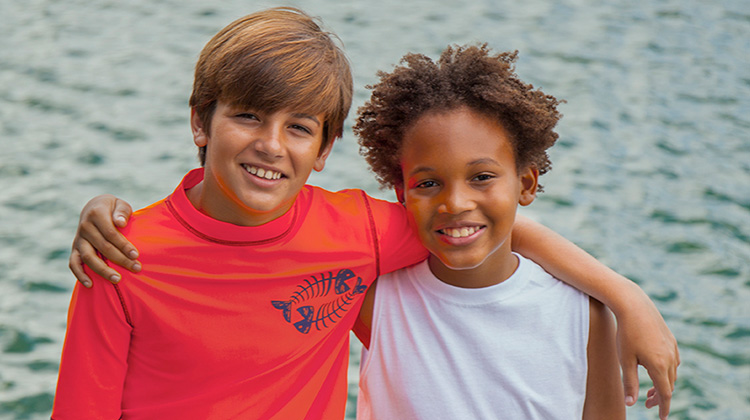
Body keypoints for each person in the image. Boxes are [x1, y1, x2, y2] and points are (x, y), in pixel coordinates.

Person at [58, 7, 678, 420]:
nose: (271, 144)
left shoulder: (356, 231)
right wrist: (103, 210)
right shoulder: (120, 254)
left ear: (325, 151)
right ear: (201, 120)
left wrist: (626, 297)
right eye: (247, 115)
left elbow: (478, 222)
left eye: (299, 128)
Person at [353, 45, 624, 419]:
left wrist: (627, 300)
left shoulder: (584, 315)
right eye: (428, 183)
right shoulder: (371, 294)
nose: (456, 203)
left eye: (481, 177)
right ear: (402, 196)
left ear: (526, 184)